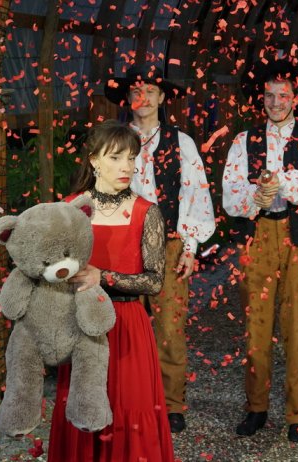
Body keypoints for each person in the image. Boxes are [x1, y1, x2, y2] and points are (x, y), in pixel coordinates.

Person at [48, 121, 174, 461]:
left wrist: (103, 276)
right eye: (116, 158)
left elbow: (154, 281)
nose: (126, 167)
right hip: (82, 326)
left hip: (128, 326)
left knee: (130, 409)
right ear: (94, 160)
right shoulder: (70, 208)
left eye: (131, 158)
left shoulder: (147, 212)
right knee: (82, 409)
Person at [222, 58, 298, 443]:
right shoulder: (244, 140)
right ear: (262, 97)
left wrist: (277, 183)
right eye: (269, 95)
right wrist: (254, 197)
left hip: (297, 238)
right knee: (256, 326)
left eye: (283, 95)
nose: (275, 102)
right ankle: (256, 408)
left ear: (295, 97)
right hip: (258, 237)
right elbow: (230, 194)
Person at [105, 63, 216, 433]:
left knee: (170, 327)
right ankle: (127, 399)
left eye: (150, 91)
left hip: (167, 245)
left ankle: (171, 405)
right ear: (128, 98)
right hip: (123, 246)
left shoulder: (181, 142)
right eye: (137, 91)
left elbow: (196, 194)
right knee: (123, 325)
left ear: (162, 97)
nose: (144, 98)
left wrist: (190, 247)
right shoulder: (114, 141)